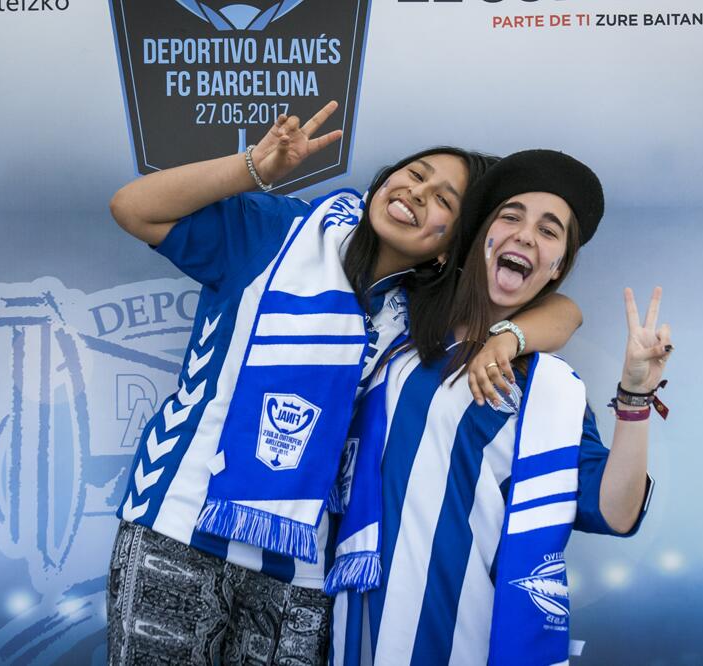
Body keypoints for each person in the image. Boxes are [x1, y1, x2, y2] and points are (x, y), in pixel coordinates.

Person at [105, 105, 585, 664]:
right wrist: (253, 167)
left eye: (444, 201)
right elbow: (133, 209)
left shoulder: (428, 315)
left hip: (301, 571)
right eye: (415, 173)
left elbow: (565, 311)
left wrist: (505, 337)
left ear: (449, 247)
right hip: (180, 526)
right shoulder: (282, 233)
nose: (416, 190)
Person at [328, 150, 671, 666]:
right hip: (340, 621)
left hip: (451, 634)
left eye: (549, 231)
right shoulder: (402, 322)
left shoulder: (545, 389)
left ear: (557, 268)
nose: (526, 235)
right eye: (510, 217)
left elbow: (616, 511)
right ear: (476, 240)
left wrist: (636, 396)